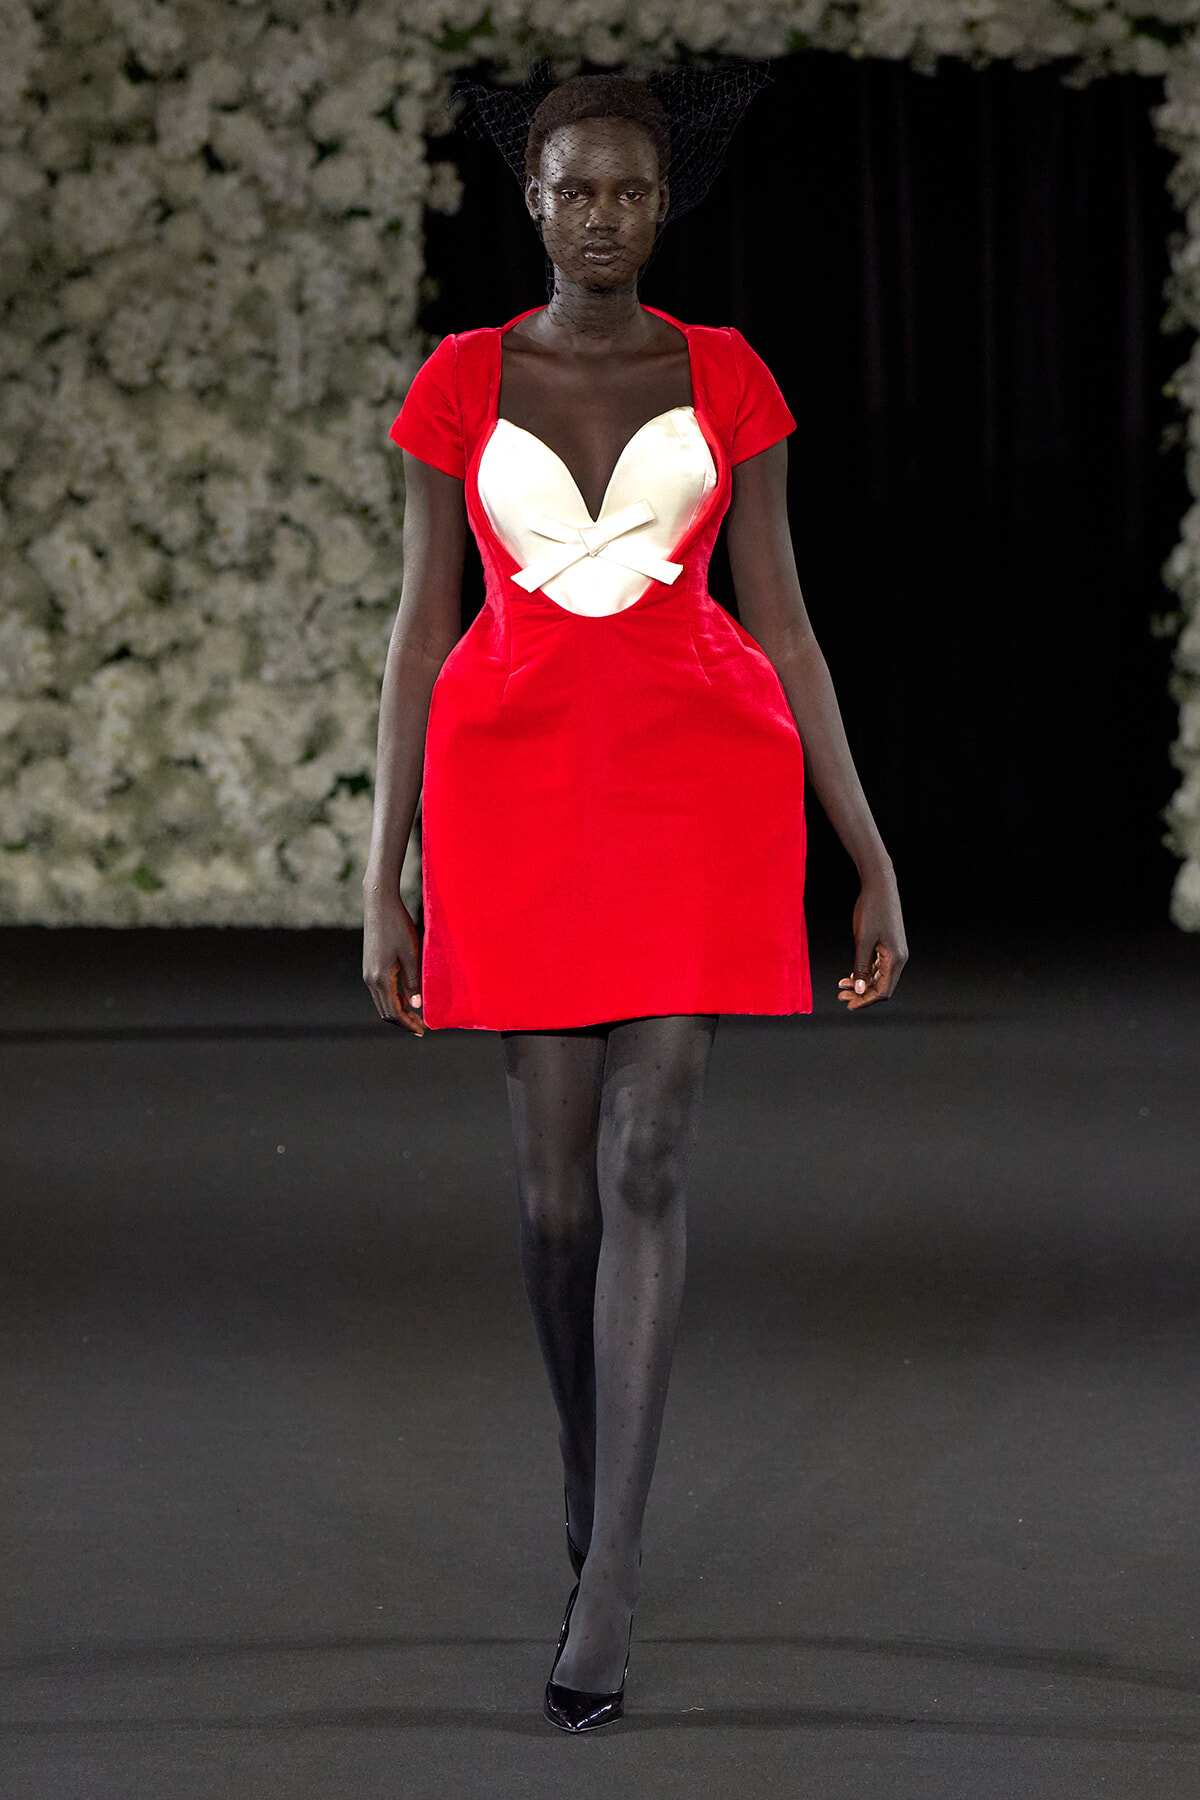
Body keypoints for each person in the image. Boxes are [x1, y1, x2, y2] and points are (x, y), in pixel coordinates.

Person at [363, 71, 907, 1732]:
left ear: (663, 207)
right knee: (550, 1208)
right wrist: (380, 868)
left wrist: (869, 850)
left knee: (650, 1156)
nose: (602, 215)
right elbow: (415, 629)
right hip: (513, 789)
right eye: (574, 190)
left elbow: (788, 622)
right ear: (530, 200)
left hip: (697, 781)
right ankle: (586, 1488)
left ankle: (608, 1585)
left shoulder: (730, 376)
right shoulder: (459, 381)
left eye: (630, 193)